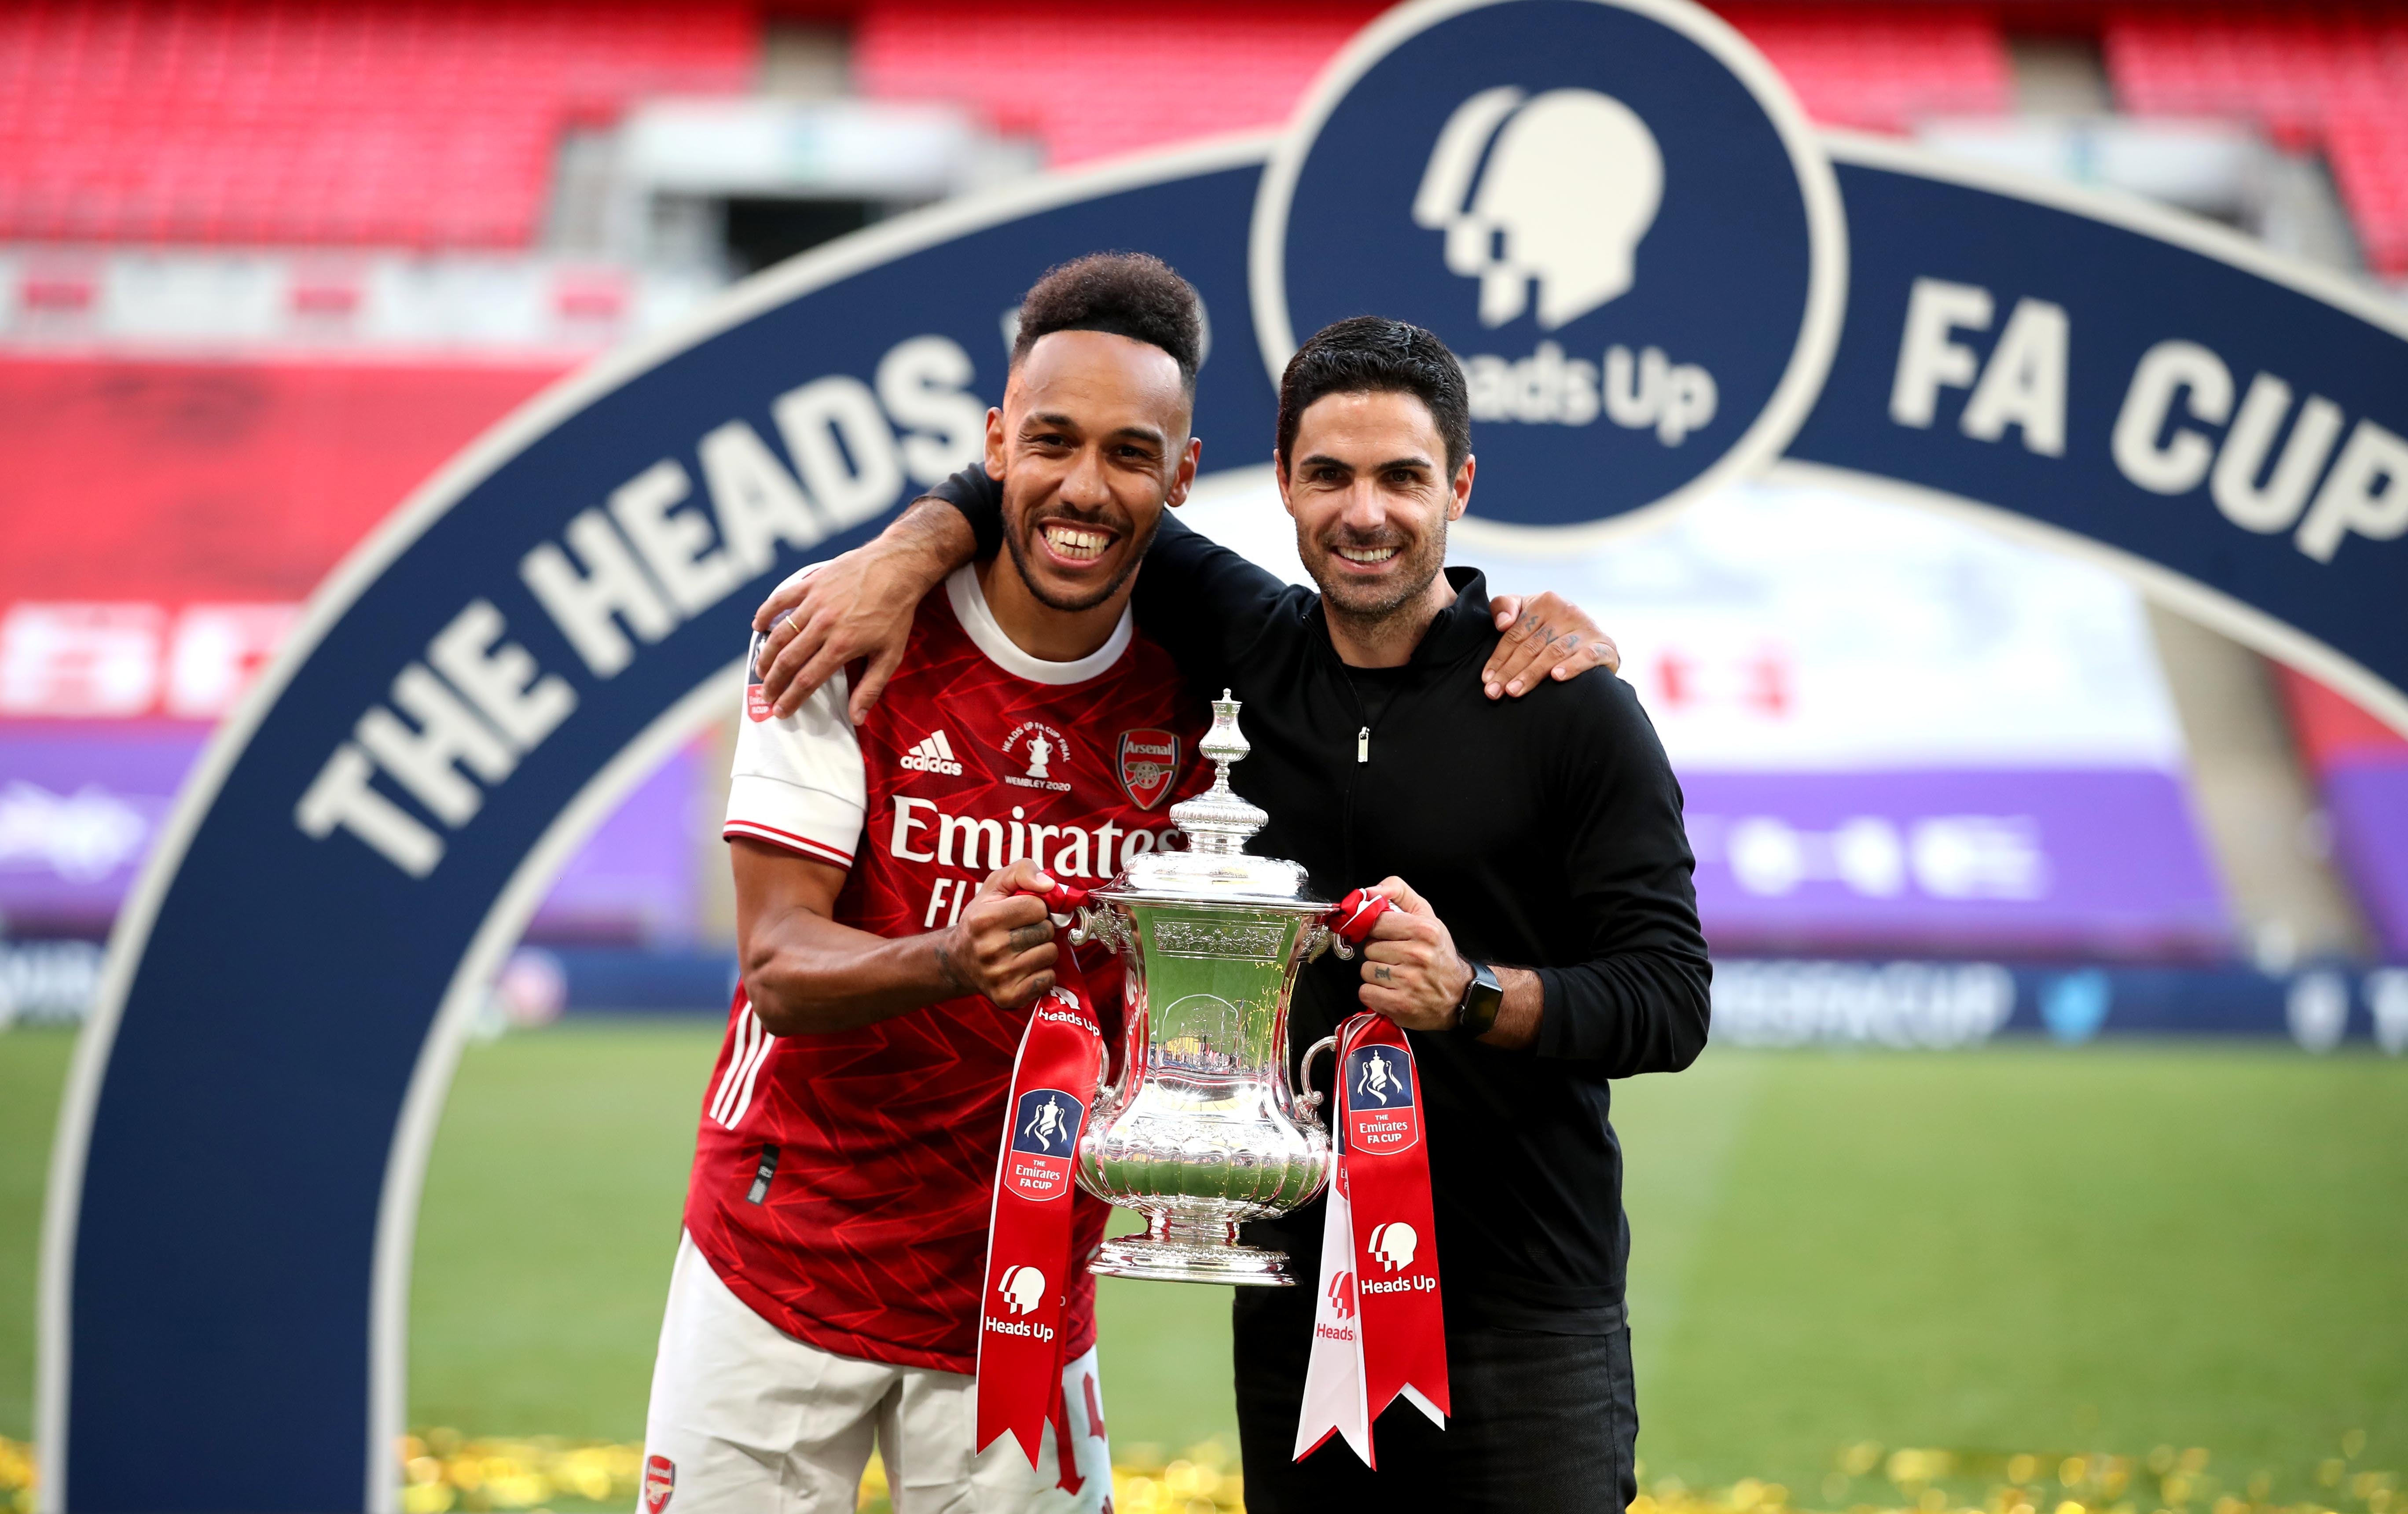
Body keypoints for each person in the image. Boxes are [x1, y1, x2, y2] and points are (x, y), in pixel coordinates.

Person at [640, 257, 1608, 1514]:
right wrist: (948, 957)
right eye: (1049, 442)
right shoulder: (842, 630)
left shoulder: (1218, 678)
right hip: (782, 1259)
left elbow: (1396, 650)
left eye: (1129, 455)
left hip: (1029, 1278)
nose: (1084, 488)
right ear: (996, 444)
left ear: (1184, 477)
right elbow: (776, 967)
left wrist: (1540, 624)